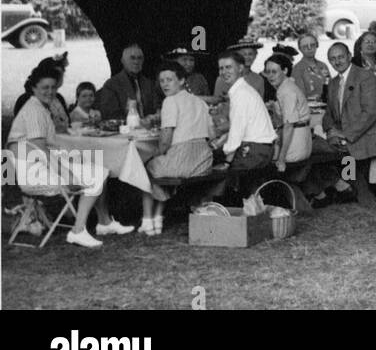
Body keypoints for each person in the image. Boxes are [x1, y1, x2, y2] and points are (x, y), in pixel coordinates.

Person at [7, 64, 131, 248]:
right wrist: (66, 173)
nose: (50, 92)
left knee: (101, 169)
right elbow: (41, 149)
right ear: (33, 88)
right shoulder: (33, 111)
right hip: (33, 174)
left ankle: (104, 223)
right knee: (97, 174)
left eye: (53, 87)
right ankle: (78, 230)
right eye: (44, 88)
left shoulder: (40, 107)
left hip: (41, 166)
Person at [142, 60, 216, 236]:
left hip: (182, 161)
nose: (165, 84)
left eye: (170, 79)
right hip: (203, 161)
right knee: (161, 166)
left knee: (143, 167)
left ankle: (150, 219)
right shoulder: (199, 102)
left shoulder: (170, 101)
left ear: (182, 81)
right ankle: (158, 217)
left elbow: (166, 138)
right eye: (162, 81)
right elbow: (212, 135)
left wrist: (157, 153)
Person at [323, 41, 376, 207]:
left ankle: (355, 192)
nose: (337, 61)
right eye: (333, 59)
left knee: (347, 160)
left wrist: (345, 134)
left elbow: (371, 112)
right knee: (325, 155)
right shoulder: (334, 82)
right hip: (342, 136)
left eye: (341, 57)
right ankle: (348, 189)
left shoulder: (365, 76)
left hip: (362, 135)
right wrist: (330, 130)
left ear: (349, 56)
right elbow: (329, 111)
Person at [211, 49, 277, 200]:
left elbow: (237, 131)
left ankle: (215, 207)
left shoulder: (241, 93)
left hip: (255, 150)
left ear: (240, 68)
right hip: (262, 148)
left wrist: (227, 160)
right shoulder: (242, 89)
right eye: (221, 68)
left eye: (229, 67)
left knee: (217, 168)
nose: (224, 72)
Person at [264, 53, 312, 173]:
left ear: (285, 70)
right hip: (298, 137)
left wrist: (281, 158)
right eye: (267, 72)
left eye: (274, 72)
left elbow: (289, 126)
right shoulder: (285, 87)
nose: (270, 76)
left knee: (267, 165)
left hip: (296, 142)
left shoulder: (287, 91)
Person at [96, 42, 160, 121]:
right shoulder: (112, 85)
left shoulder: (149, 84)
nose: (136, 62)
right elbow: (110, 115)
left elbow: (156, 108)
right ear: (123, 61)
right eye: (132, 58)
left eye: (139, 58)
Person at [292, 32, 331, 102]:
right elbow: (300, 96)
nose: (309, 48)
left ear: (317, 45)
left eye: (312, 45)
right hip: (309, 108)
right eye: (305, 46)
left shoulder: (323, 65)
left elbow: (331, 87)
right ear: (300, 49)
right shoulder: (297, 69)